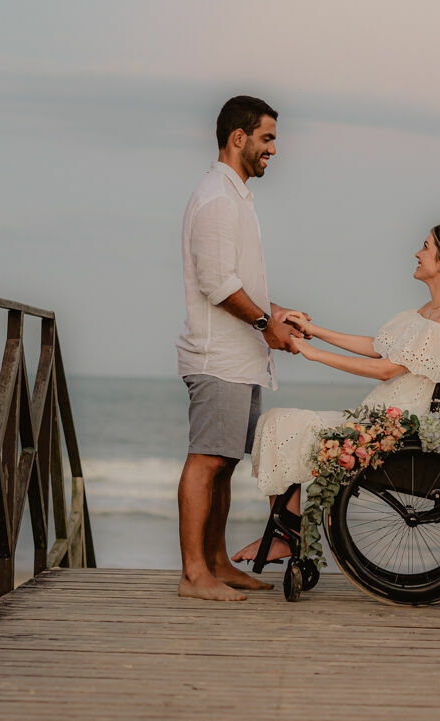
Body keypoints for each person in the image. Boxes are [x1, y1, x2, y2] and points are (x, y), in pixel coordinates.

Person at [232, 223, 440, 563]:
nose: (417, 252)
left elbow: (385, 368)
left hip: (393, 428)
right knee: (277, 423)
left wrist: (314, 354)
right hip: (379, 417)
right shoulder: (428, 314)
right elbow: (375, 347)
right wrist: (314, 330)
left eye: (425, 247)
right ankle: (286, 534)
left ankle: (286, 537)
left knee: (282, 424)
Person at [177, 95, 308, 601]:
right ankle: (194, 575)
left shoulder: (236, 197)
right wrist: (263, 322)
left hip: (240, 355)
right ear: (239, 138)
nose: (274, 148)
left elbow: (237, 279)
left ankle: (215, 562)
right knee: (207, 460)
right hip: (218, 357)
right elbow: (214, 282)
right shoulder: (216, 197)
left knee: (225, 462)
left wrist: (275, 314)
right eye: (267, 138)